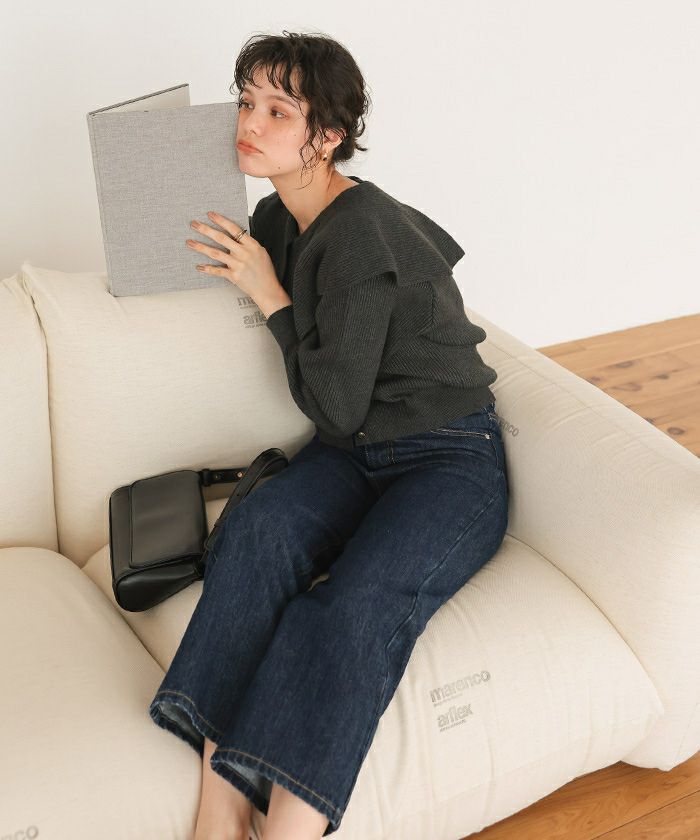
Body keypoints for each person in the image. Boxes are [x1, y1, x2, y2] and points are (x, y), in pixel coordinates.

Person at [151, 29, 509, 840]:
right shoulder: (278, 216)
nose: (250, 122)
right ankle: (219, 806)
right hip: (355, 455)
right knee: (258, 532)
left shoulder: (358, 234)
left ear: (329, 136)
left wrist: (271, 297)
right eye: (246, 101)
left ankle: (291, 829)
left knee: (352, 607)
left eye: (280, 110)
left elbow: (335, 405)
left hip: (447, 459)